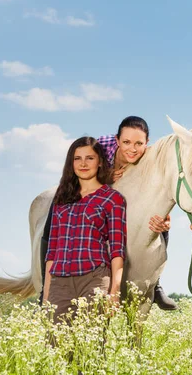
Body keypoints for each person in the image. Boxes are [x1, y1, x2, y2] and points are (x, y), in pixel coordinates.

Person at [40, 116, 177, 310]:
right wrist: (106, 176)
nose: (132, 148)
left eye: (139, 143)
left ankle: (155, 285)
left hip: (124, 197)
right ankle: (44, 290)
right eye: (127, 142)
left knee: (160, 220)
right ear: (117, 140)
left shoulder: (149, 159)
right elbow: (85, 168)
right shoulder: (102, 146)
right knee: (54, 214)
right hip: (94, 188)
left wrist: (165, 220)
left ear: (147, 143)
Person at [42, 137, 126, 323]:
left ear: (100, 162)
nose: (83, 163)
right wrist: (46, 297)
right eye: (77, 158)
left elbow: (117, 250)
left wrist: (114, 291)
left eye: (89, 158)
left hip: (94, 279)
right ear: (70, 163)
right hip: (59, 282)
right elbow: (52, 251)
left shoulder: (113, 199)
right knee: (55, 347)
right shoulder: (61, 199)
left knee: (91, 347)